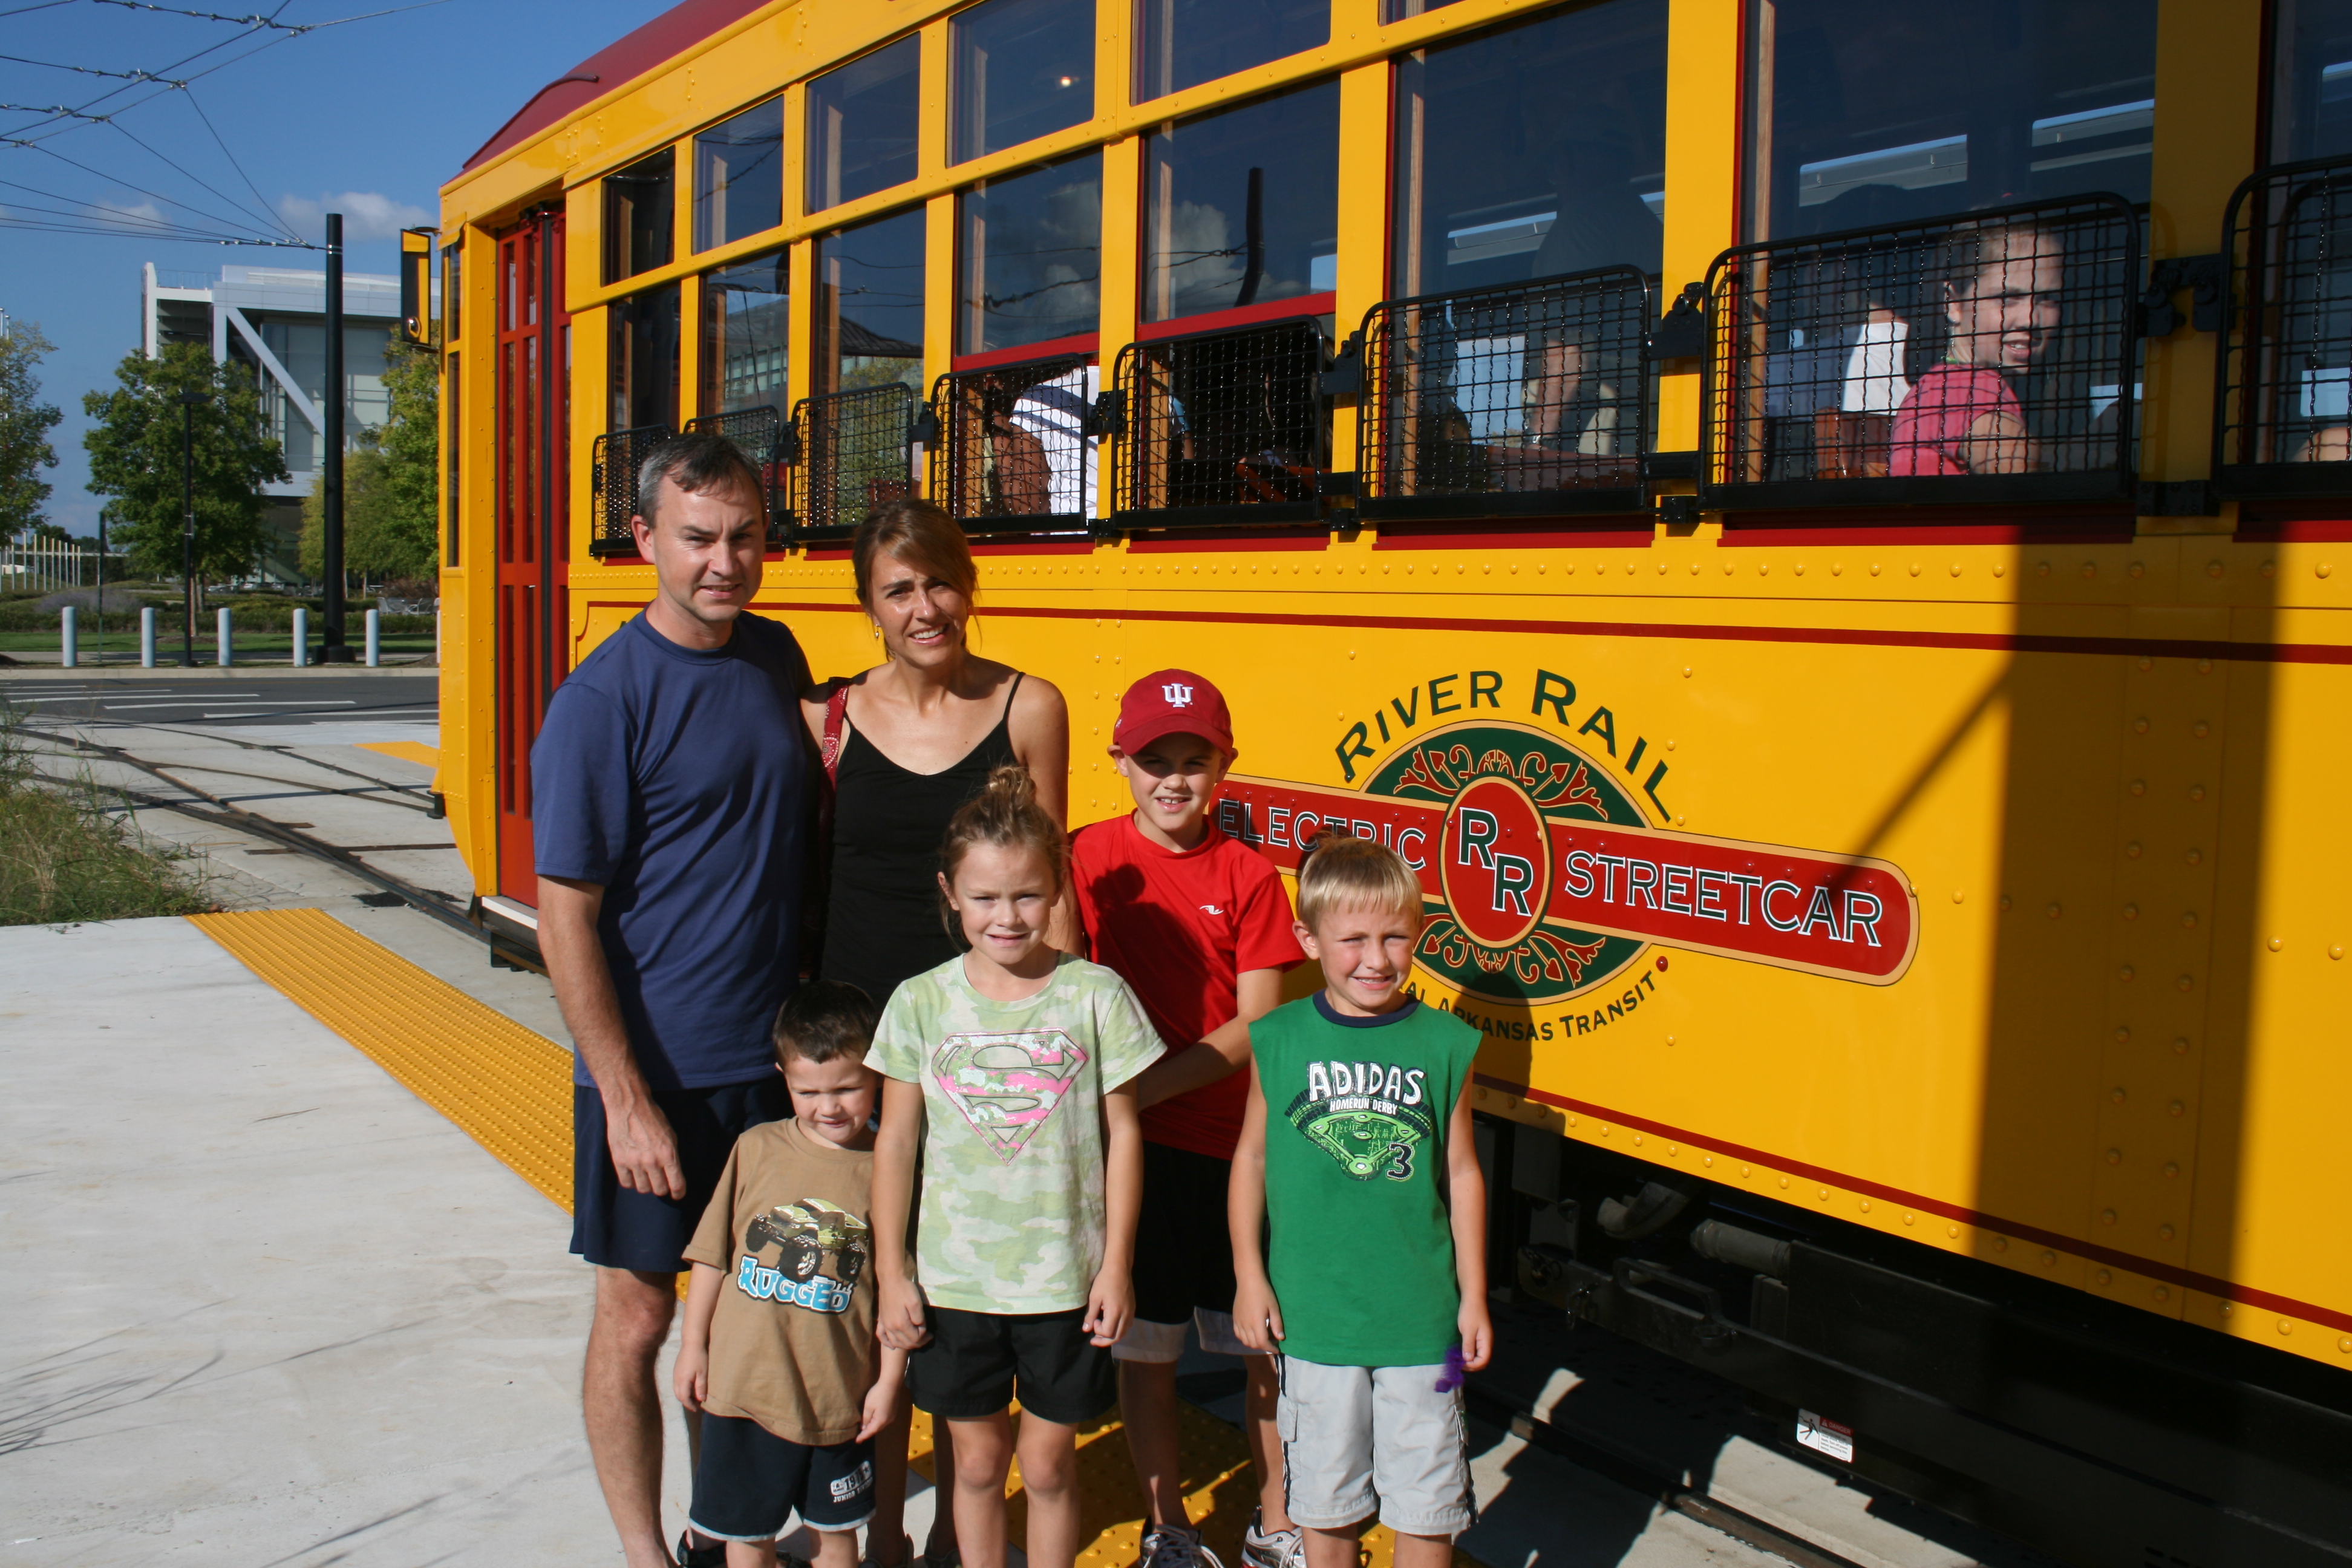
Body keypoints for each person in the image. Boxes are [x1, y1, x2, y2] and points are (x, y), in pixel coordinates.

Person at [531, 430, 813, 1568]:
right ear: (646, 538)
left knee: (749, 1316)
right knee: (639, 1316)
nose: (724, 561)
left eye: (744, 536)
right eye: (699, 538)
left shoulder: (775, 654)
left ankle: (725, 1533)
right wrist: (624, 1098)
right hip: (659, 1074)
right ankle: (645, 1552)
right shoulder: (602, 700)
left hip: (769, 1069)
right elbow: (564, 917)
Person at [802, 498, 1073, 1568]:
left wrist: (1063, 1053)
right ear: (868, 605)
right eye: (899, 590)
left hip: (982, 1051)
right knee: (872, 1301)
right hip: (862, 1053)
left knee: (960, 1300)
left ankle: (963, 1537)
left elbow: (1053, 890)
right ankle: (875, 1535)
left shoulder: (1029, 704)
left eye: (941, 582)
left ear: (970, 584)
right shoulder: (829, 719)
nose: (925, 608)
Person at [868, 765, 1163, 1568]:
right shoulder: (919, 1002)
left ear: (1058, 889)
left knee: (1049, 1465)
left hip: (1065, 1282)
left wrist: (1116, 1266)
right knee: (975, 1464)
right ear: (950, 894)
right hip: (954, 1282)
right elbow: (895, 1143)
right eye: (986, 898)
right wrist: (893, 1271)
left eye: (1028, 896)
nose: (1007, 917)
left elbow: (1124, 1135)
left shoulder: (1097, 996)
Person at [1069, 673, 1305, 1568]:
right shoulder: (1088, 856)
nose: (1173, 779)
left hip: (1232, 1149)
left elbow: (1256, 1025)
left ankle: (1276, 1523)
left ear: (1225, 765)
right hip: (1137, 1157)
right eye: (1154, 760)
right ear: (1120, 762)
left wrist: (1140, 1094)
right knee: (1147, 1350)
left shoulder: (1249, 875)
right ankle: (1168, 1526)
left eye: (1193, 761)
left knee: (1265, 1350)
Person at [1229, 835, 1491, 1568]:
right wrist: (1248, 1274)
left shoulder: (1447, 1043)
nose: (1375, 959)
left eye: (1394, 937)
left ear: (1420, 933)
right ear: (1309, 939)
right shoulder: (1277, 1037)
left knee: (1427, 1509)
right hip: (1314, 1323)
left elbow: (1462, 1173)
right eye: (1353, 940)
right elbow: (1250, 1158)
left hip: (1424, 1327)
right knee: (1325, 1508)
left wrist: (1474, 1296)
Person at [675, 982, 907, 1568]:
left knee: (836, 1535)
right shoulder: (756, 1149)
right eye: (808, 1092)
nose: (829, 1108)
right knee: (746, 1533)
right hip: (743, 1392)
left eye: (847, 1089)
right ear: (783, 1077)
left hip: (838, 1401)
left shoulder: (889, 1167)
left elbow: (896, 1294)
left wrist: (888, 1382)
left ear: (878, 1074)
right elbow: (712, 1257)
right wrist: (692, 1346)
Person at [1890, 220, 2063, 476]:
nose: (2030, 319)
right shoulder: (1965, 389)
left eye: (2048, 299)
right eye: (2006, 298)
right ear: (1953, 303)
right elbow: (2017, 475)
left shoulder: (1940, 386)